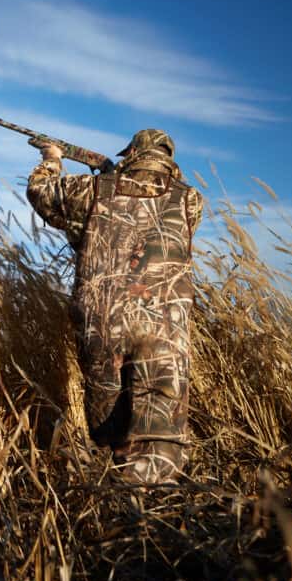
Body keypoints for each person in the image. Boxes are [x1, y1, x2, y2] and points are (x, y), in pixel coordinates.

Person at [26, 129, 203, 484]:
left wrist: (52, 158)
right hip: (164, 324)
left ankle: (116, 502)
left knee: (110, 429)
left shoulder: (94, 189)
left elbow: (41, 193)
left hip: (102, 322)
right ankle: (158, 505)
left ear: (132, 153)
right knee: (160, 426)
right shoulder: (190, 198)